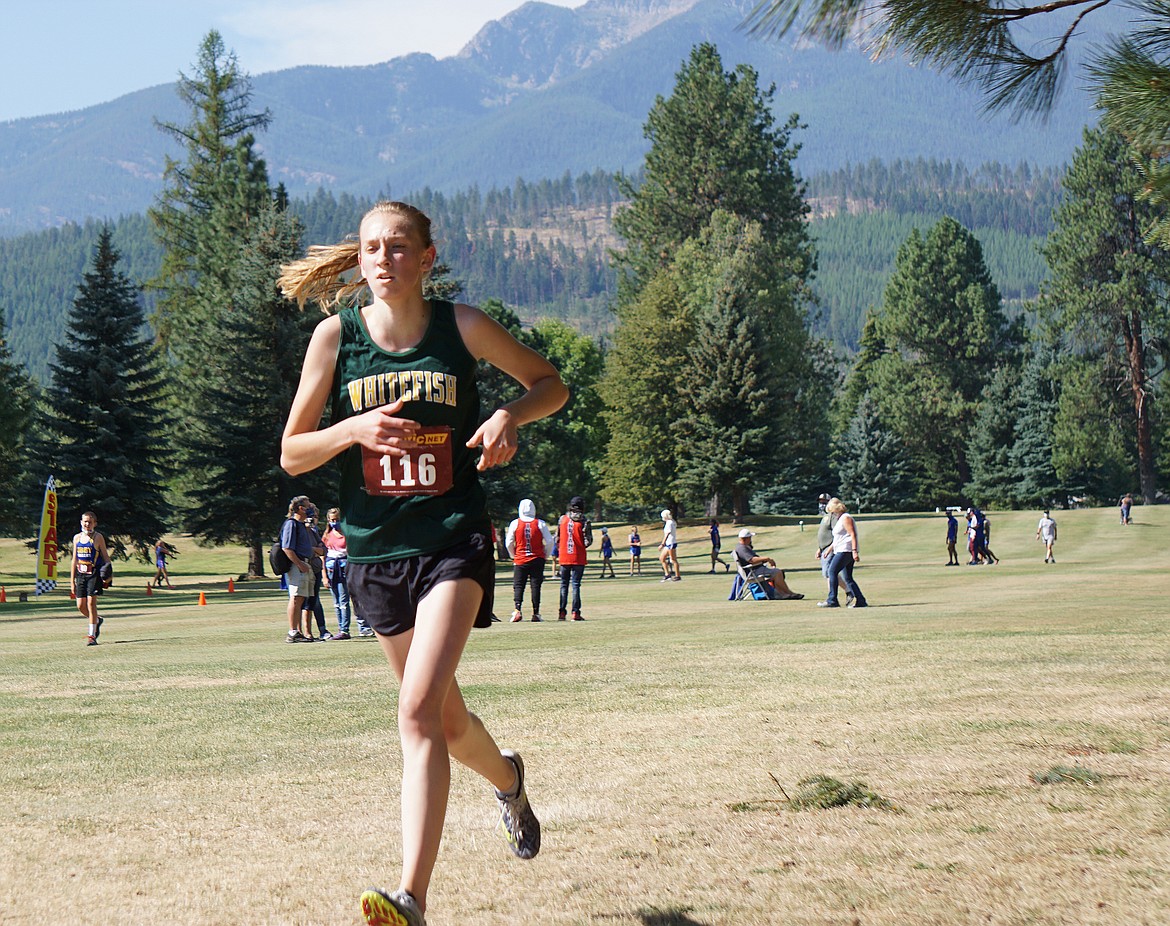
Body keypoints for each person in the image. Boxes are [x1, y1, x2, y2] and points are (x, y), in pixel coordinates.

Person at [278, 199, 567, 926]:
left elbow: (551, 385)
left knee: (414, 713)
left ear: (427, 258)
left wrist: (506, 416)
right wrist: (352, 429)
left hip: (452, 542)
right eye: (373, 247)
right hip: (376, 554)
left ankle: (412, 899)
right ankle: (509, 782)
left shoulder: (460, 328)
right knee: (446, 718)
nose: (385, 259)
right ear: (360, 258)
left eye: (400, 247)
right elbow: (291, 453)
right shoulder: (334, 340)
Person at [322, 507, 372, 639]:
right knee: (337, 601)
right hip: (332, 568)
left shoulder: (347, 533)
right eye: (332, 520)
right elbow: (323, 555)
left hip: (345, 567)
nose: (334, 522)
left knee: (347, 600)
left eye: (337, 519)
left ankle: (353, 628)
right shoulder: (327, 535)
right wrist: (324, 575)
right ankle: (342, 628)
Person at [505, 498, 552, 622]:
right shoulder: (540, 523)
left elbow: (509, 541)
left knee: (518, 585)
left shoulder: (515, 523)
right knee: (535, 586)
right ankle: (536, 612)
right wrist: (545, 554)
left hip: (520, 559)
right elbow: (550, 541)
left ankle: (517, 610)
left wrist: (513, 555)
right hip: (537, 558)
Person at [281, 496, 318, 643]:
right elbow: (287, 548)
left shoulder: (302, 525)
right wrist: (299, 564)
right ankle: (292, 632)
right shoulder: (292, 524)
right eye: (308, 506)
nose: (311, 509)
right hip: (298, 566)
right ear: (301, 508)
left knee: (301, 598)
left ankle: (297, 632)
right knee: (295, 598)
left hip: (305, 564)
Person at [818, 498, 867, 609]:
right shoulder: (840, 519)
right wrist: (829, 550)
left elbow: (852, 534)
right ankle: (861, 600)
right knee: (847, 578)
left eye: (832, 512)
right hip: (840, 549)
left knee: (832, 571)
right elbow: (838, 538)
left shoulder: (846, 518)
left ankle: (832, 600)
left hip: (846, 550)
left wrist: (854, 551)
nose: (832, 514)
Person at [72, 511, 111, 646]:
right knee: (80, 606)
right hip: (81, 574)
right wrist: (72, 581)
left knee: (90, 604)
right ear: (81, 522)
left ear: (94, 523)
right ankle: (96, 620)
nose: (87, 524)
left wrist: (108, 574)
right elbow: (74, 560)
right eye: (85, 521)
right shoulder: (76, 538)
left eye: (90, 522)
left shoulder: (98, 537)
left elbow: (106, 557)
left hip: (93, 572)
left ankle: (91, 636)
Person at [733, 529, 803, 599]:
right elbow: (751, 560)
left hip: (755, 570)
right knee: (777, 572)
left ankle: (783, 594)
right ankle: (788, 593)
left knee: (777, 572)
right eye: (750, 538)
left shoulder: (742, 547)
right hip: (753, 572)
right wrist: (767, 559)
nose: (751, 540)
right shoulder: (742, 548)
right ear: (746, 539)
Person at [557, 495, 593, 620]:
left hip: (564, 556)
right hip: (578, 557)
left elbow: (557, 537)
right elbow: (588, 540)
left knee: (563, 585)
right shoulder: (584, 521)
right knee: (576, 585)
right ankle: (575, 612)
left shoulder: (562, 519)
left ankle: (562, 612)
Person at [302, 508, 333, 640]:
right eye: (310, 516)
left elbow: (323, 550)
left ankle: (321, 630)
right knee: (305, 602)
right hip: (303, 570)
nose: (312, 519)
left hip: (315, 570)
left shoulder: (314, 533)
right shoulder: (300, 531)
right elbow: (304, 550)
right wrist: (314, 551)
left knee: (314, 601)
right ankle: (303, 632)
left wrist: (315, 550)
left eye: (314, 516)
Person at [815, 500, 850, 604]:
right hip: (824, 548)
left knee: (829, 572)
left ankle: (834, 597)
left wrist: (830, 548)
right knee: (828, 573)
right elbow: (823, 533)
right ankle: (835, 596)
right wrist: (819, 548)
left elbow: (837, 533)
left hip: (830, 548)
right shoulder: (826, 516)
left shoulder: (834, 517)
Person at [658, 508, 681, 582]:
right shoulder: (670, 522)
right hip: (668, 544)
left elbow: (667, 534)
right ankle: (667, 574)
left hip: (670, 543)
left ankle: (677, 576)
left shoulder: (670, 523)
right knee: (662, 558)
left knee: (673, 560)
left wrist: (662, 544)